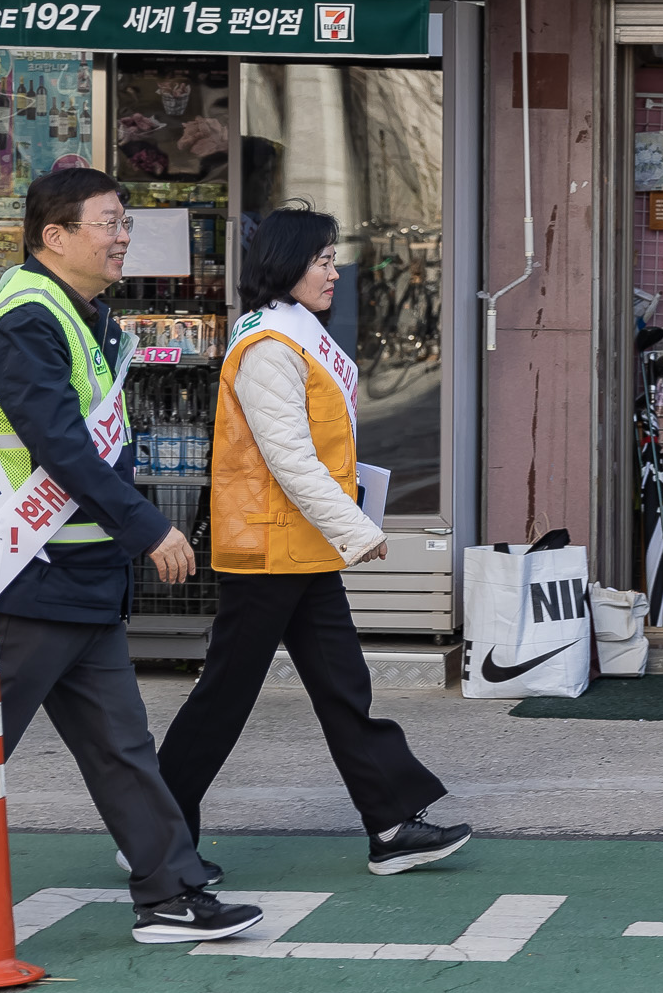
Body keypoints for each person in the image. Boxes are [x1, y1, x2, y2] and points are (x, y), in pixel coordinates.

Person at [0, 169, 262, 955]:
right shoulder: (28, 319)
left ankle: (168, 889)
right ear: (54, 236)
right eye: (108, 220)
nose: (123, 233)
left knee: (121, 742)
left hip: (76, 572)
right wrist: (146, 527)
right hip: (29, 573)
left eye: (125, 218)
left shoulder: (81, 315)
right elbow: (62, 445)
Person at [156, 208, 470, 875]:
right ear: (287, 264)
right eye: (323, 260)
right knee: (225, 696)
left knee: (341, 686)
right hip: (270, 550)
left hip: (296, 548)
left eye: (333, 258)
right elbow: (291, 458)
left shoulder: (288, 333)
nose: (334, 272)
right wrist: (359, 528)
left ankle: (389, 823)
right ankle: (153, 834)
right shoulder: (271, 344)